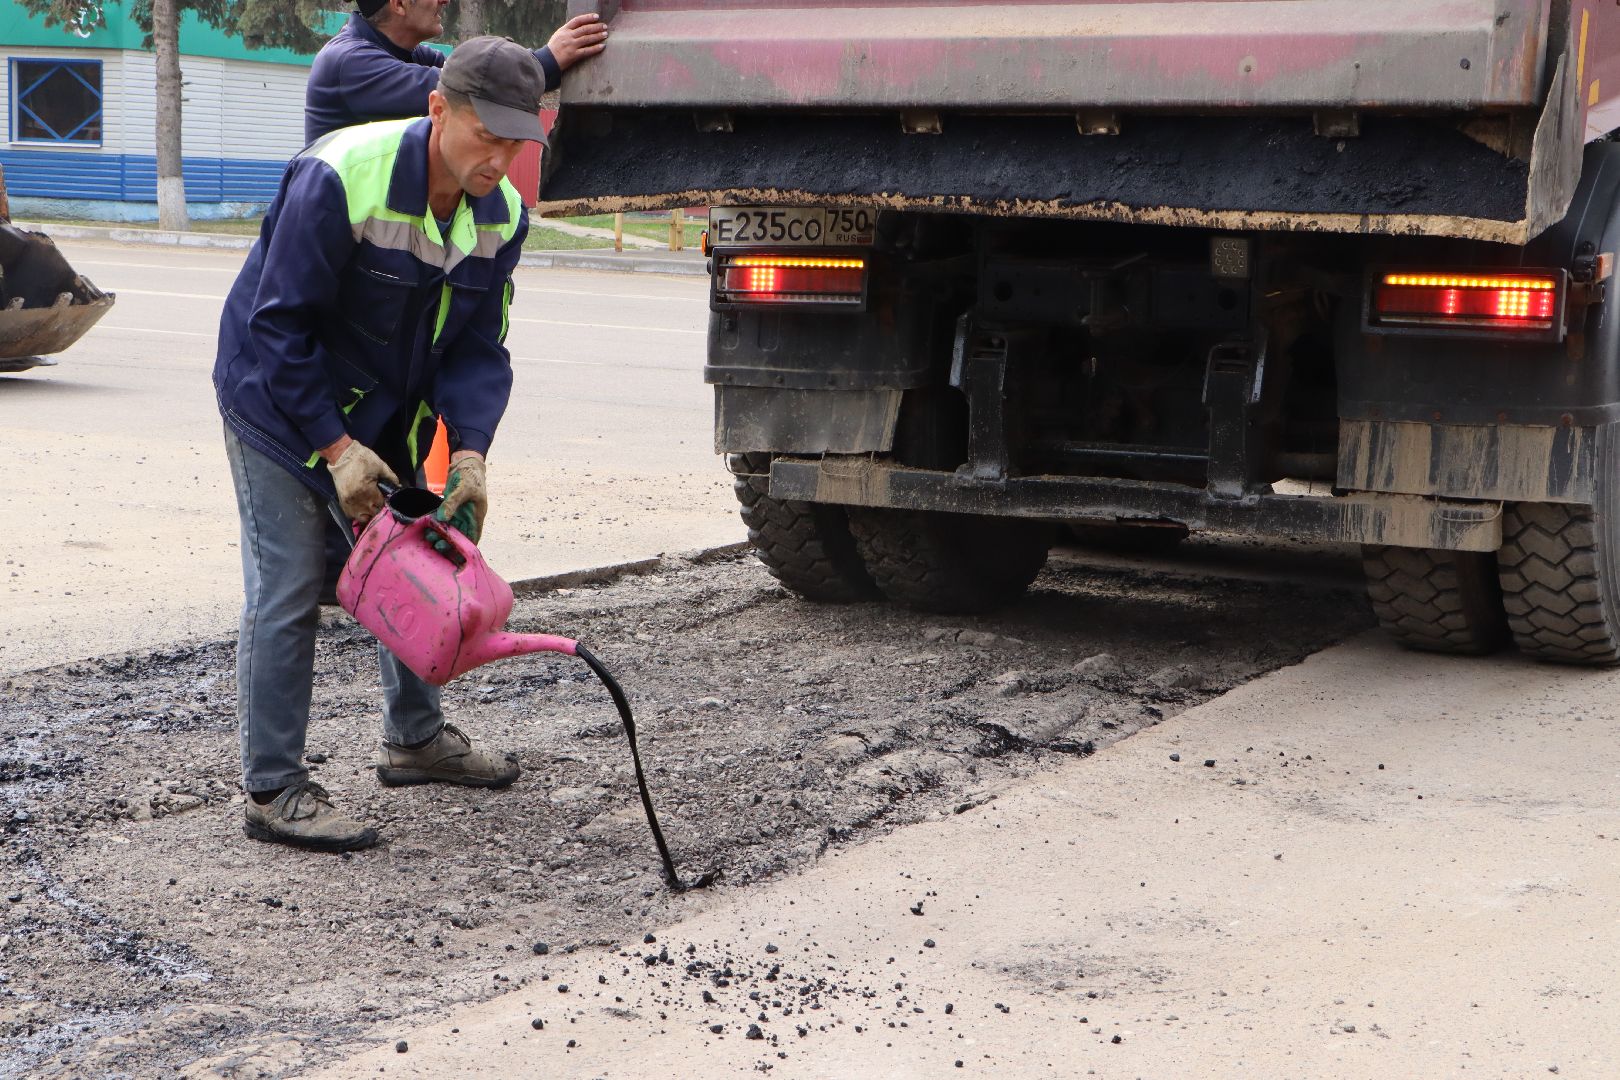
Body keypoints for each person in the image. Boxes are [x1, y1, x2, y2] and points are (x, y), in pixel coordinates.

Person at [216, 37, 546, 852]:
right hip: (276, 397)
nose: (500, 160)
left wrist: (469, 449)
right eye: (486, 137)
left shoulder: (502, 213)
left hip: (387, 412)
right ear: (438, 109)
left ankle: (415, 740)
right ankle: (273, 787)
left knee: (421, 551)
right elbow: (280, 325)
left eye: (517, 142)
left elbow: (477, 347)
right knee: (291, 585)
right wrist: (334, 449)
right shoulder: (342, 174)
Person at [305, 0, 608, 144]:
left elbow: (479, 73)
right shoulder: (350, 62)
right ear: (399, 4)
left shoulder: (408, 54)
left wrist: (549, 65)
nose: (445, 1)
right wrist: (548, 59)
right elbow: (463, 86)